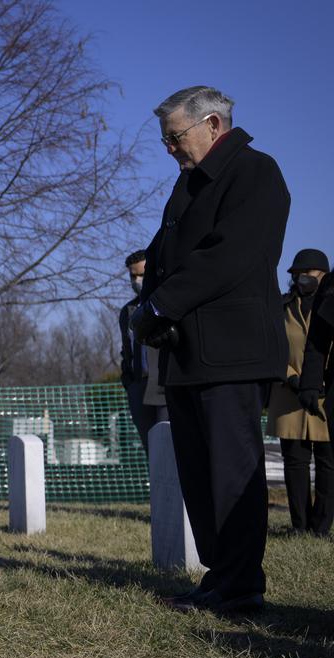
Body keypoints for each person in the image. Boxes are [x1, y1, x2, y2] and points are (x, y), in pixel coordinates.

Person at [129, 86, 289, 615]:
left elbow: (231, 257)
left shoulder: (255, 173)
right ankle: (219, 577)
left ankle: (242, 586)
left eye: (175, 137)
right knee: (199, 473)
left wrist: (161, 306)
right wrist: (147, 306)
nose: (170, 149)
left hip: (230, 352)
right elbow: (160, 252)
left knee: (230, 471)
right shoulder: (188, 184)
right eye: (166, 140)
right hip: (185, 351)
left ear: (213, 124)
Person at [267, 249, 333, 534]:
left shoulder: (330, 305)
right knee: (295, 463)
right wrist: (293, 378)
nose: (301, 279)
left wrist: (320, 379)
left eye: (308, 274)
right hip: (287, 395)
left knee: (328, 464)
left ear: (324, 276)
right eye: (297, 275)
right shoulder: (281, 308)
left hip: (326, 395)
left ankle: (321, 527)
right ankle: (299, 525)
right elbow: (272, 348)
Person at [118, 249, 168, 454]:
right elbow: (126, 350)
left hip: (165, 387)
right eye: (133, 275)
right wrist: (129, 382)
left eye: (141, 274)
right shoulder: (127, 311)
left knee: (169, 447)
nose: (137, 280)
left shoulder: (166, 303)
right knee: (152, 452)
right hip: (139, 387)